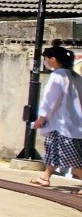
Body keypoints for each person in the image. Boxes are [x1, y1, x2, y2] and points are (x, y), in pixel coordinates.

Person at [29, 42, 82, 188]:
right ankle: (45, 177)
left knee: (71, 159)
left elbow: (51, 98)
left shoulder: (57, 76)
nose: (45, 62)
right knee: (53, 153)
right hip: (73, 125)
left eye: (46, 59)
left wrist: (42, 116)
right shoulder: (76, 77)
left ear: (53, 59)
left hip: (62, 125)